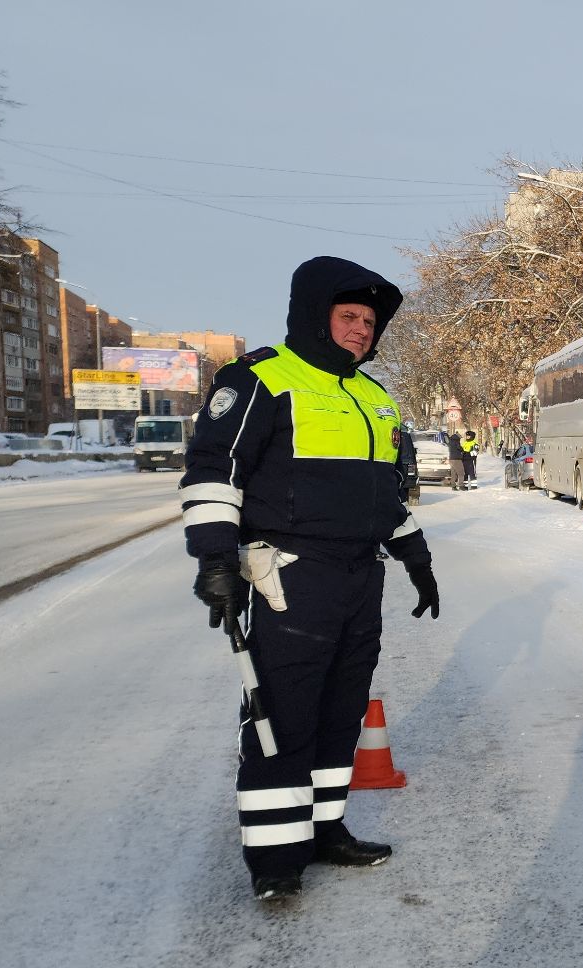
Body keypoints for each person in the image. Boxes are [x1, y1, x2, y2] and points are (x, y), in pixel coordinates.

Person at [180, 256, 442, 902]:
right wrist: (216, 560)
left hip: (359, 578)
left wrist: (416, 557)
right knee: (284, 712)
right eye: (349, 316)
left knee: (340, 711)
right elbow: (215, 471)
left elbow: (382, 497)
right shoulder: (261, 379)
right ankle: (276, 858)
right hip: (292, 577)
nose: (361, 330)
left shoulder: (374, 398)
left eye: (369, 323)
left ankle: (325, 830)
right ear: (315, 315)